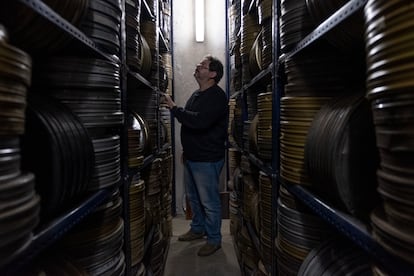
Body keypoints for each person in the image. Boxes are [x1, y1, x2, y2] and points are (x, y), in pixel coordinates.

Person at [161, 55, 228, 256]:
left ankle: (214, 239)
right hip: (193, 157)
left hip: (207, 158)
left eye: (204, 65)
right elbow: (191, 125)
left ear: (213, 74)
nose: (198, 66)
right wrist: (186, 152)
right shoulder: (197, 95)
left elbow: (199, 122)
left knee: (209, 201)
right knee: (194, 198)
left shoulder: (217, 96)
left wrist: (174, 108)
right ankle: (198, 229)